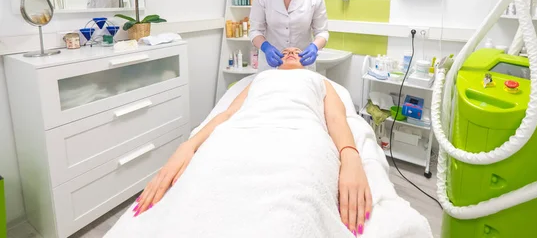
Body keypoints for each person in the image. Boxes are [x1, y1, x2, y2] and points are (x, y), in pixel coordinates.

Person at [110, 48, 372, 237]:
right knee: (197, 189)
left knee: (293, 205)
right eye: (285, 51)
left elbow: (337, 119)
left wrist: (350, 157)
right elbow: (227, 114)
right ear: (276, 61)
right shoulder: (262, 78)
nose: (291, 51)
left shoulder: (319, 81)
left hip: (299, 136)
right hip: (238, 133)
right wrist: (188, 146)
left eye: (296, 51)